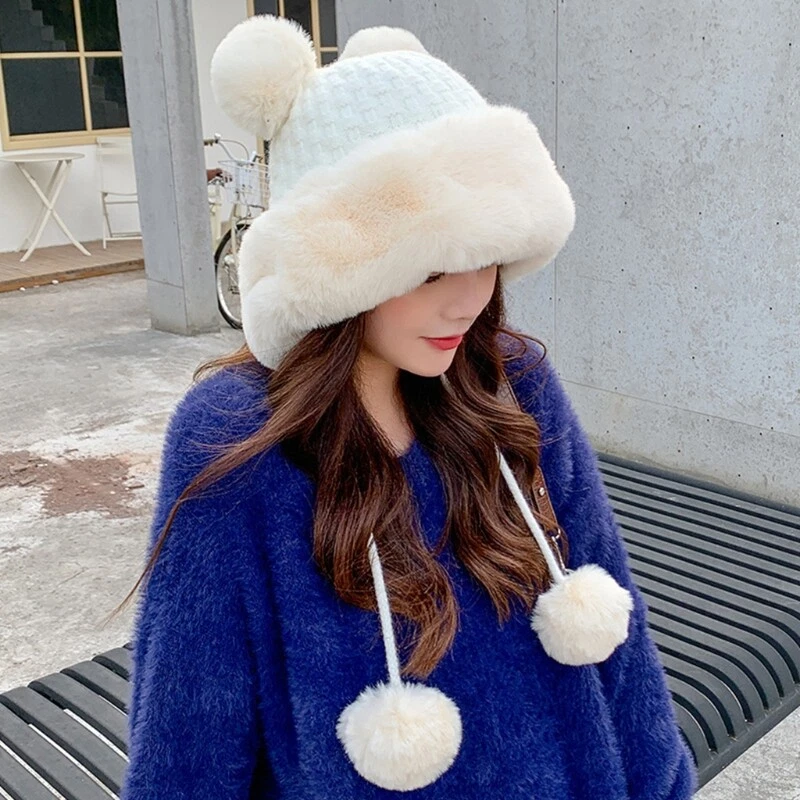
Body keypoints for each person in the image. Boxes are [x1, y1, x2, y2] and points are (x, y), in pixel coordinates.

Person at [111, 14, 698, 799]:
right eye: (428, 268)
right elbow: (189, 739)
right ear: (336, 269)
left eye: (487, 254)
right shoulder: (237, 440)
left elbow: (621, 649)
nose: (469, 299)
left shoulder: (510, 384)